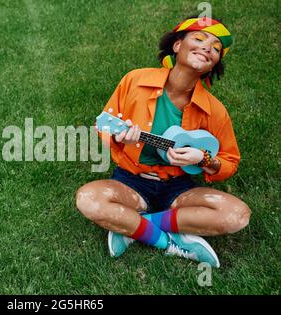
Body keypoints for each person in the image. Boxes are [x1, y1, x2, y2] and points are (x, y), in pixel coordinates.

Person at [75, 16, 251, 268]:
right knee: (88, 199)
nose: (207, 48)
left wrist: (203, 159)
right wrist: (116, 136)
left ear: (213, 64)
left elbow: (230, 162)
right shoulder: (135, 81)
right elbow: (104, 125)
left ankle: (134, 226)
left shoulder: (215, 111)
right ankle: (170, 242)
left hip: (179, 187)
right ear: (177, 46)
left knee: (237, 215)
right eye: (199, 39)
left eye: (215, 48)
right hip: (132, 180)